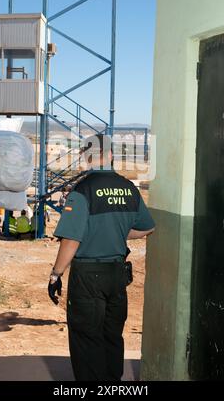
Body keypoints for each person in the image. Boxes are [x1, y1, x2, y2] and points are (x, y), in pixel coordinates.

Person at [48, 134, 155, 381]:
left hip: (88, 276)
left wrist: (56, 274)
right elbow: (147, 228)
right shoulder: (129, 187)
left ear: (87, 158)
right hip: (117, 275)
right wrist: (116, 233)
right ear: (111, 155)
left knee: (87, 339)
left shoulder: (83, 190)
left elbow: (71, 240)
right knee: (111, 335)